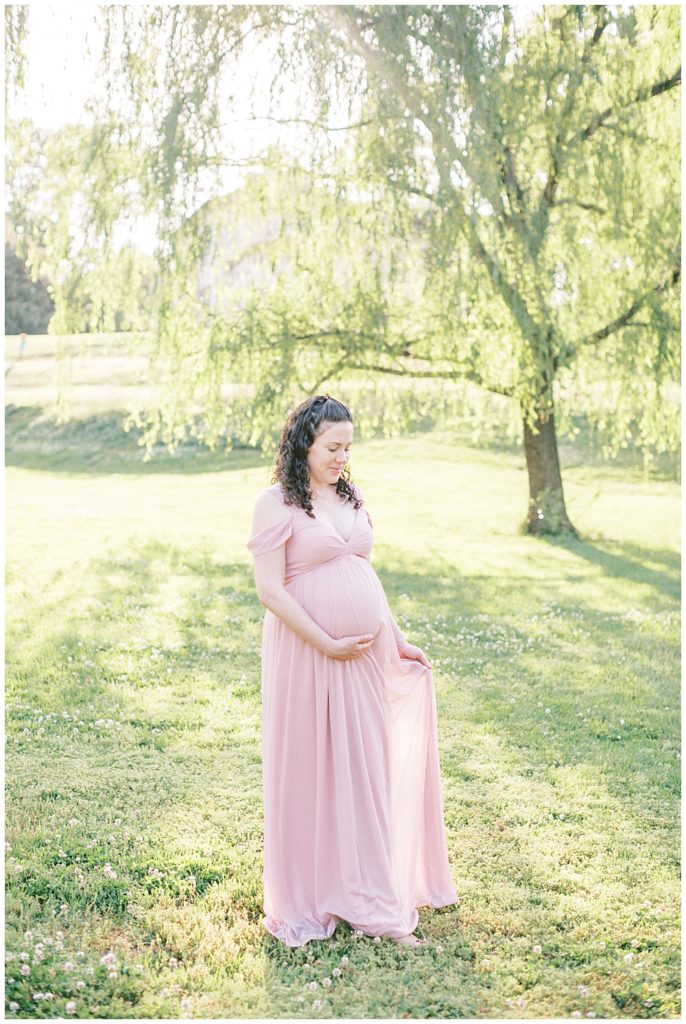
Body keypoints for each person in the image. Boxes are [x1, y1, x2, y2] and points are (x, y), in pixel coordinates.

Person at [246, 394, 457, 948]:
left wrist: (399, 640)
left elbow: (364, 573)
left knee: (365, 767)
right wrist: (326, 641)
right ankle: (316, 895)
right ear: (304, 444)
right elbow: (270, 591)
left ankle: (373, 902)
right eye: (332, 447)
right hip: (305, 652)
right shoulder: (275, 503)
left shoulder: (349, 494)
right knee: (312, 769)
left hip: (361, 654)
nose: (342, 457)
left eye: (348, 447)